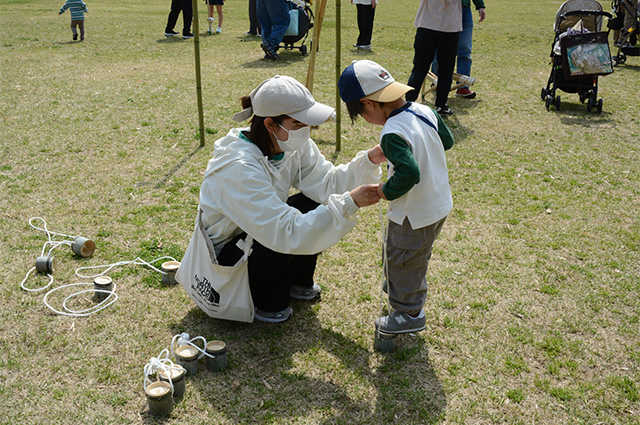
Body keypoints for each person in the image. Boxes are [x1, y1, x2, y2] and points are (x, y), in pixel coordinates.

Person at [198, 75, 384, 323]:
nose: (306, 131)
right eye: (298, 124)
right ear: (270, 125)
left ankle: (297, 283)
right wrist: (350, 202)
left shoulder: (290, 143)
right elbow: (282, 230)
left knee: (313, 203)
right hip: (228, 256)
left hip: (257, 231)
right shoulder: (238, 167)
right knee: (292, 223)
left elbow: (326, 183)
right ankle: (264, 300)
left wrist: (370, 159)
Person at [338, 60, 453, 334]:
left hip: (412, 213)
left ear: (368, 104)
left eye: (361, 114)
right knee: (415, 255)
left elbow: (409, 173)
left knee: (402, 257)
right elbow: (446, 141)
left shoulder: (392, 131)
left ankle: (408, 313)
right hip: (437, 204)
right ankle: (404, 294)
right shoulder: (424, 110)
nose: (366, 120)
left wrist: (384, 190)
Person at [406, 0, 462, 116]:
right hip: (449, 27)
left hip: (427, 24)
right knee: (446, 70)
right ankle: (441, 105)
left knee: (419, 68)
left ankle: (409, 103)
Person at [431, 0, 486, 99]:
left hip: (464, 10)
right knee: (441, 47)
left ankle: (462, 87)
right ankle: (436, 81)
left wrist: (480, 6)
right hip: (444, 9)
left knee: (464, 50)